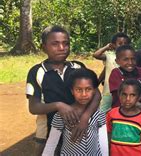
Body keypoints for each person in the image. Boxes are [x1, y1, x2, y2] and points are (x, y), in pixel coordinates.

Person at [26, 25, 101, 155]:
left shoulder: (78, 67)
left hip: (78, 129)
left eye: (65, 43)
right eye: (55, 44)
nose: (61, 48)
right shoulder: (37, 72)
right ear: (44, 47)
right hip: (48, 133)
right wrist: (59, 106)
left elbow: (96, 94)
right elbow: (34, 107)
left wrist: (85, 117)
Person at [42, 68, 108, 155]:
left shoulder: (99, 115)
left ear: (94, 91)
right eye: (79, 90)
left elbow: (103, 144)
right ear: (72, 91)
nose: (84, 94)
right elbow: (51, 144)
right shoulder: (62, 116)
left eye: (88, 89)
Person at [107, 79, 141, 156]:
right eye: (124, 94)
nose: (128, 99)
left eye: (132, 95)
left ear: (139, 97)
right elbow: (108, 134)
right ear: (119, 95)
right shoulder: (111, 114)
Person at [93, 32, 131, 112]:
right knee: (104, 110)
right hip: (108, 91)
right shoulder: (109, 55)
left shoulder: (130, 58)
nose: (123, 46)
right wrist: (106, 47)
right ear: (114, 45)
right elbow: (96, 55)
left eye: (125, 43)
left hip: (124, 90)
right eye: (120, 43)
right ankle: (103, 124)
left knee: (119, 109)